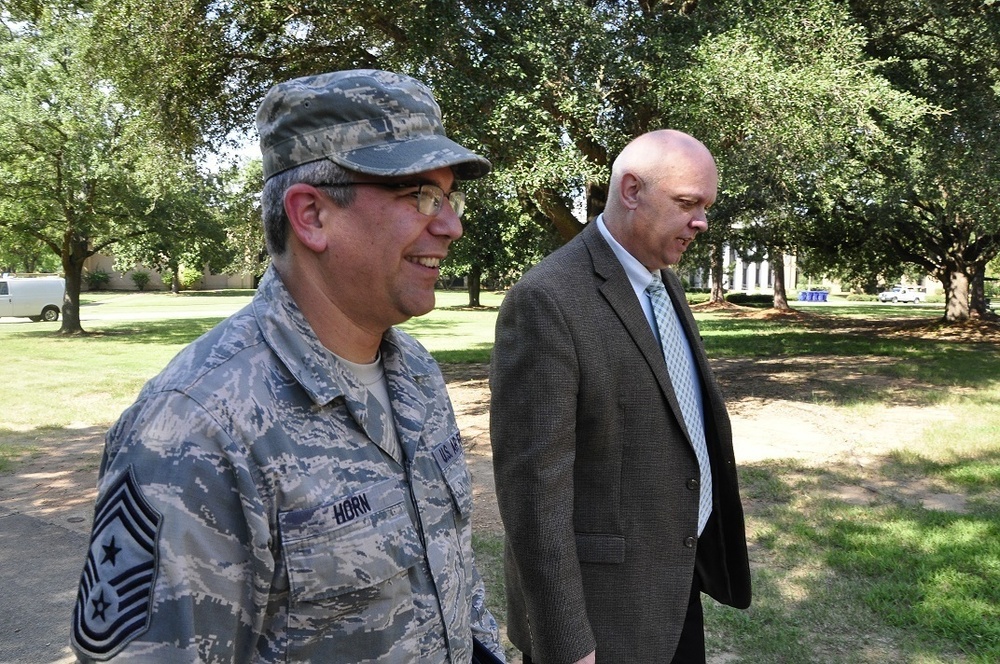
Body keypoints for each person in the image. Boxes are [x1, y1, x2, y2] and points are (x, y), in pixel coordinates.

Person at [71, 69, 506, 663]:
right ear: (311, 215)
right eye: (420, 196)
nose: (451, 225)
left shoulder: (416, 375)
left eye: (450, 198)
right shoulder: (195, 429)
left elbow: (451, 575)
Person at [490, 129, 752, 664]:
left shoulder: (664, 281)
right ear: (631, 190)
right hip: (600, 616)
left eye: (706, 206)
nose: (701, 221)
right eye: (688, 203)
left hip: (672, 584)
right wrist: (567, 644)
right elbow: (534, 495)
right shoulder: (546, 300)